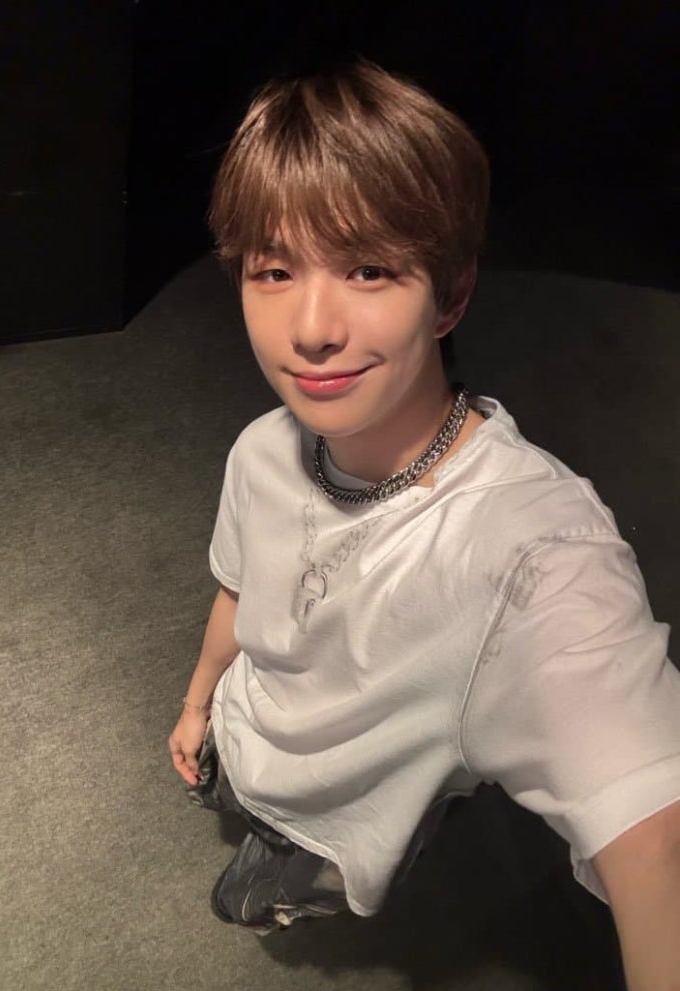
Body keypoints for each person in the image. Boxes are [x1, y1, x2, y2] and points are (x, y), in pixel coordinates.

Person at [168, 60, 680, 986]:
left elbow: (656, 839)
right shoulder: (260, 448)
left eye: (367, 268)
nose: (309, 328)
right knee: (231, 788)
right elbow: (240, 588)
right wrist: (202, 699)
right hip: (245, 731)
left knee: (249, 897)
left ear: (449, 296)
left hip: (337, 823)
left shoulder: (529, 552)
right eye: (273, 270)